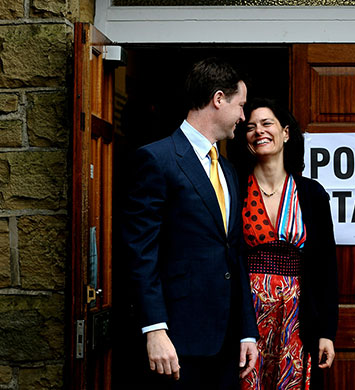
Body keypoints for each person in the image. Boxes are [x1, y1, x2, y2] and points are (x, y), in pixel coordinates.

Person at [122, 57, 259, 390]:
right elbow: (141, 251)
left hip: (227, 344)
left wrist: (246, 331)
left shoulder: (227, 170)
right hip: (177, 341)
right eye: (240, 105)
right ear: (218, 99)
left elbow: (234, 254)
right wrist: (154, 329)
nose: (243, 116)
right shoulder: (157, 159)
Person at [230, 98, 338, 390]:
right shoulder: (234, 187)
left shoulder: (311, 193)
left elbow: (327, 266)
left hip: (297, 317)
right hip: (245, 314)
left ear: (286, 133)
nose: (258, 131)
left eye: (267, 124)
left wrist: (327, 331)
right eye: (250, 127)